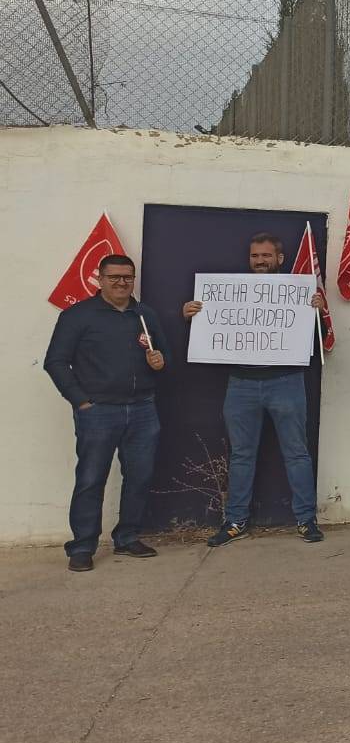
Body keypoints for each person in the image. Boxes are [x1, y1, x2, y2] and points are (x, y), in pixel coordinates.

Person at [184, 233, 327, 547]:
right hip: (242, 384)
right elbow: (210, 332)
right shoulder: (229, 294)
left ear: (280, 258)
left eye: (266, 256)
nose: (260, 261)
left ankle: (306, 520)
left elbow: (320, 339)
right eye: (255, 256)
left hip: (286, 382)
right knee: (241, 456)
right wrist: (193, 314)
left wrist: (317, 312)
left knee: (297, 453)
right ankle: (235, 521)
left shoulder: (297, 292)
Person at [44, 253, 167, 571]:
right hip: (97, 411)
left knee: (139, 477)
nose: (122, 283)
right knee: (90, 479)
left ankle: (127, 538)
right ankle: (82, 547)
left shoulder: (145, 314)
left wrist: (160, 362)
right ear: (99, 279)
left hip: (143, 409)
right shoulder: (78, 316)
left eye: (128, 277)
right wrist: (80, 400)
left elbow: (161, 354)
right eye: (114, 277)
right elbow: (56, 361)